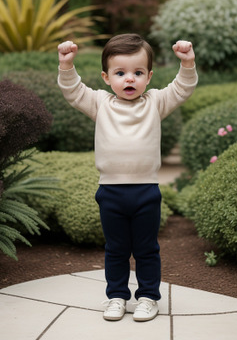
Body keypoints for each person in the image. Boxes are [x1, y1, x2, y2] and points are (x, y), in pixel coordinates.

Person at [57, 34, 198, 322]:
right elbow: (73, 91)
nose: (129, 79)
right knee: (116, 249)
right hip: (110, 192)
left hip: (146, 191)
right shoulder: (100, 103)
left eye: (137, 73)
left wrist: (188, 63)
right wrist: (66, 65)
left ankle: (148, 297)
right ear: (106, 77)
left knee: (147, 249)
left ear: (149, 76)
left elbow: (183, 88)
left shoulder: (155, 102)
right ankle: (117, 297)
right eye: (120, 73)